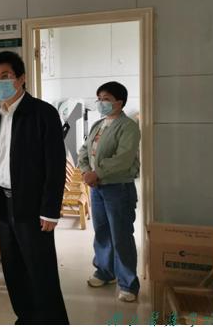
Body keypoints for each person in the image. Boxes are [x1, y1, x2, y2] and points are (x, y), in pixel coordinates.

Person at [0, 51, 69, 325]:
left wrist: (50, 210)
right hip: (4, 204)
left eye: (5, 76)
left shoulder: (43, 113)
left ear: (21, 78)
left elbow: (55, 165)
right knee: (13, 268)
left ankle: (52, 321)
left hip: (33, 207)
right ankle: (26, 316)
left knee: (40, 270)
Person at [78, 81, 140, 303]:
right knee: (102, 232)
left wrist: (97, 173)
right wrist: (86, 171)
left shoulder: (128, 126)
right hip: (97, 188)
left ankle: (128, 283)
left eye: (106, 99)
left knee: (121, 235)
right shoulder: (99, 124)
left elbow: (123, 158)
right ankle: (105, 272)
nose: (101, 103)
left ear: (119, 102)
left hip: (118, 188)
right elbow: (84, 151)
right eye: (99, 98)